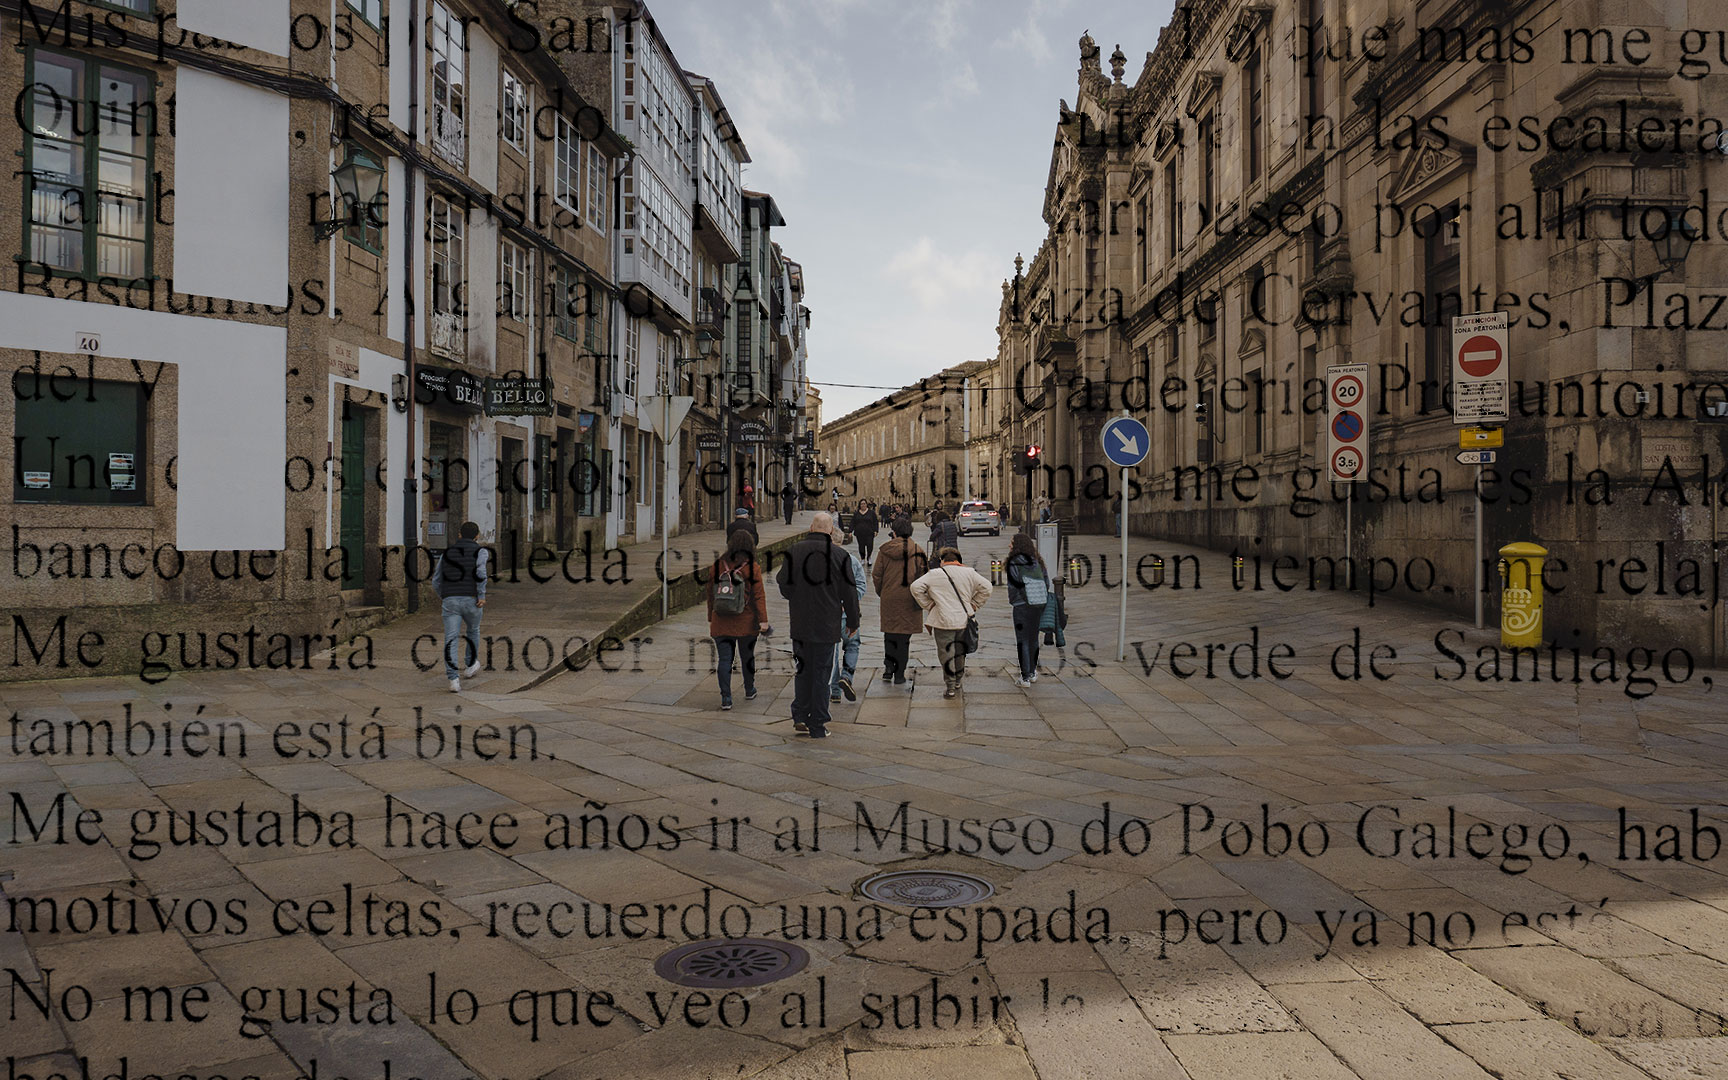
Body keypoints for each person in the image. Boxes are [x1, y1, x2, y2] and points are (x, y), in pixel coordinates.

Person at [775, 511, 861, 738]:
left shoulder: (794, 551)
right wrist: (853, 621)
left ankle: (800, 716)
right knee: (822, 673)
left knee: (803, 670)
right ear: (831, 530)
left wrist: (795, 596)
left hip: (801, 623)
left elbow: (782, 582)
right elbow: (850, 593)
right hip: (827, 624)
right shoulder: (840, 556)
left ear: (812, 528)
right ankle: (818, 724)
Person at [911, 547, 991, 699]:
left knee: (946, 655)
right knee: (960, 652)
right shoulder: (969, 572)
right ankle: (958, 680)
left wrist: (928, 605)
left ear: (942, 560)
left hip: (943, 621)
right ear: (958, 560)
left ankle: (950, 687)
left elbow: (915, 587)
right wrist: (975, 604)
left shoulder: (934, 574)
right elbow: (987, 587)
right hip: (964, 620)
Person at [707, 530, 770, 710]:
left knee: (725, 660)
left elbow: (710, 594)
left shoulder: (717, 565)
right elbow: (759, 597)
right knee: (747, 657)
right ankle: (749, 689)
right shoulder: (752, 568)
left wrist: (711, 616)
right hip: (746, 622)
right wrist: (763, 620)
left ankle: (726, 698)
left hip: (721, 621)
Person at [431, 521, 487, 692]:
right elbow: (481, 573)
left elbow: (436, 580)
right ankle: (470, 666)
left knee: (451, 639)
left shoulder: (446, 553)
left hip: (451, 600)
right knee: (473, 631)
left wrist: (445, 596)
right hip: (472, 599)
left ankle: (453, 680)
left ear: (460, 535)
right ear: (477, 535)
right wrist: (481, 595)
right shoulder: (481, 551)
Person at [872, 516, 927, 686]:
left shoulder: (884, 551)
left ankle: (889, 668)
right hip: (909, 599)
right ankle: (900, 673)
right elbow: (924, 577)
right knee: (904, 638)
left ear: (894, 532)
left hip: (890, 598)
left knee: (889, 634)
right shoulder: (917, 550)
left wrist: (883, 592)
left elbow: (877, 575)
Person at [825, 515, 866, 703]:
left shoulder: (821, 560)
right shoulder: (852, 560)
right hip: (849, 614)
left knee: (832, 652)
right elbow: (860, 586)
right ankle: (846, 677)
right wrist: (847, 602)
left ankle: (834, 691)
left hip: (829, 614)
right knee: (852, 645)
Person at [1004, 532, 1050, 688]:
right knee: (1033, 638)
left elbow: (1012, 586)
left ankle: (1024, 678)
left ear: (1017, 545)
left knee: (1022, 640)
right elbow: (1046, 582)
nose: (1009, 545)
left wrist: (1015, 601)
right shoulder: (1037, 561)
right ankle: (1031, 672)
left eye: (1011, 542)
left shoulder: (1014, 562)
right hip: (1037, 605)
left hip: (1021, 605)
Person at [852, 500, 879, 566]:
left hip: (869, 532)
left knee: (870, 545)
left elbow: (875, 522)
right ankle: (862, 558)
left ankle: (869, 557)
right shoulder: (856, 513)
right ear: (859, 505)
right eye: (861, 504)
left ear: (866, 504)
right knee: (861, 546)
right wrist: (850, 531)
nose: (863, 505)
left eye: (864, 504)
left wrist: (876, 530)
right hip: (860, 533)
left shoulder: (871, 513)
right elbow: (853, 522)